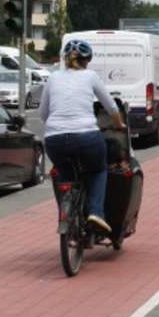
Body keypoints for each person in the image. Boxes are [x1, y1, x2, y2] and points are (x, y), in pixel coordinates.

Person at [40, 39, 125, 235]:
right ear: (87, 60)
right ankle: (96, 212)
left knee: (65, 174)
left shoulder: (53, 78)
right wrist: (119, 124)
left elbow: (43, 113)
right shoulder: (90, 76)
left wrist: (56, 124)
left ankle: (67, 209)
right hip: (87, 137)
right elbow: (111, 106)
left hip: (54, 140)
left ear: (65, 59)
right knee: (98, 170)